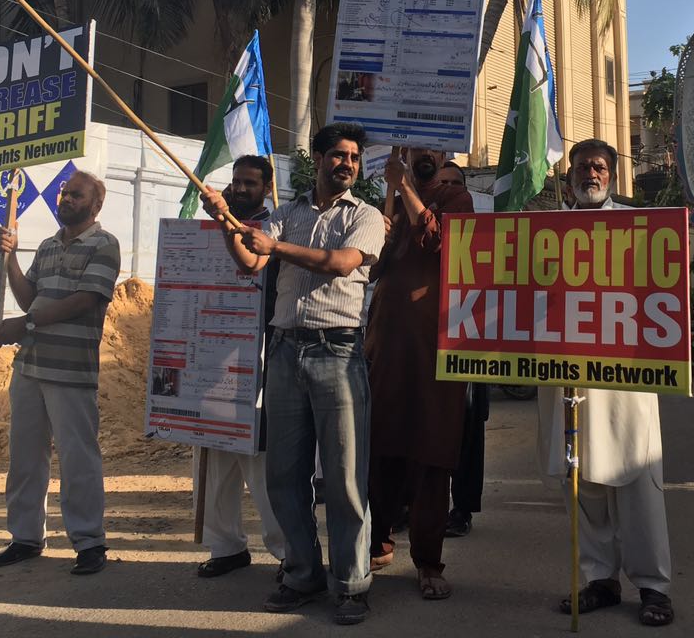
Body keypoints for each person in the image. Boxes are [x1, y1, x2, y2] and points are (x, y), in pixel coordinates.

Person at [205, 123, 384, 626]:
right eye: (338, 155)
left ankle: (351, 584)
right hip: (284, 353)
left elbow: (340, 263)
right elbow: (249, 263)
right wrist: (224, 220)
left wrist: (273, 246)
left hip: (338, 352)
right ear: (320, 159)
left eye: (353, 157)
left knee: (346, 479)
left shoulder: (367, 217)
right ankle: (302, 573)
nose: (346, 163)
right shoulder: (287, 213)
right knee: (285, 475)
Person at [538, 138, 674, 627]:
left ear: (612, 177)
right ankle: (600, 580)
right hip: (565, 374)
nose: (590, 174)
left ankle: (654, 587)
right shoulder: (545, 230)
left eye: (599, 168)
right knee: (583, 481)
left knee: (637, 480)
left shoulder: (639, 229)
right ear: (569, 173)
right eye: (582, 167)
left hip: (625, 377)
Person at [0, 171, 121, 576]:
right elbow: (31, 297)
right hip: (30, 366)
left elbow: (84, 302)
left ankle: (89, 542)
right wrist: (11, 257)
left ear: (95, 205)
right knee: (25, 456)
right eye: (64, 193)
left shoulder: (104, 244)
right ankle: (25, 537)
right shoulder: (46, 246)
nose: (66, 199)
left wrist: (24, 326)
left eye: (76, 195)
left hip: (71, 370)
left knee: (78, 458)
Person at [366, 148, 474, 600]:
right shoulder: (387, 199)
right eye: (417, 149)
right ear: (407, 153)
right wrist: (382, 230)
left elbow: (442, 245)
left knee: (432, 452)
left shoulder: (456, 198)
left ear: (444, 153)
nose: (426, 155)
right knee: (380, 444)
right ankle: (377, 541)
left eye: (434, 148)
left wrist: (406, 189)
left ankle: (428, 561)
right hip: (386, 344)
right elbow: (371, 267)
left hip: (438, 347)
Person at [197, 156, 286, 580]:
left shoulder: (274, 225)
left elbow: (249, 259)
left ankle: (288, 551)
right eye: (235, 181)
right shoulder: (217, 218)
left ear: (267, 187)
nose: (240, 188)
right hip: (211, 353)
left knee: (260, 460)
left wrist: (222, 219)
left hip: (257, 354)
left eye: (249, 182)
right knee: (214, 456)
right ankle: (226, 546)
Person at [438, 160, 490, 540]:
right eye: (445, 183)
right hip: (424, 347)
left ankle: (462, 508)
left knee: (467, 434)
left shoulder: (484, 233)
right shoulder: (414, 226)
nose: (453, 190)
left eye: (459, 183)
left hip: (469, 348)